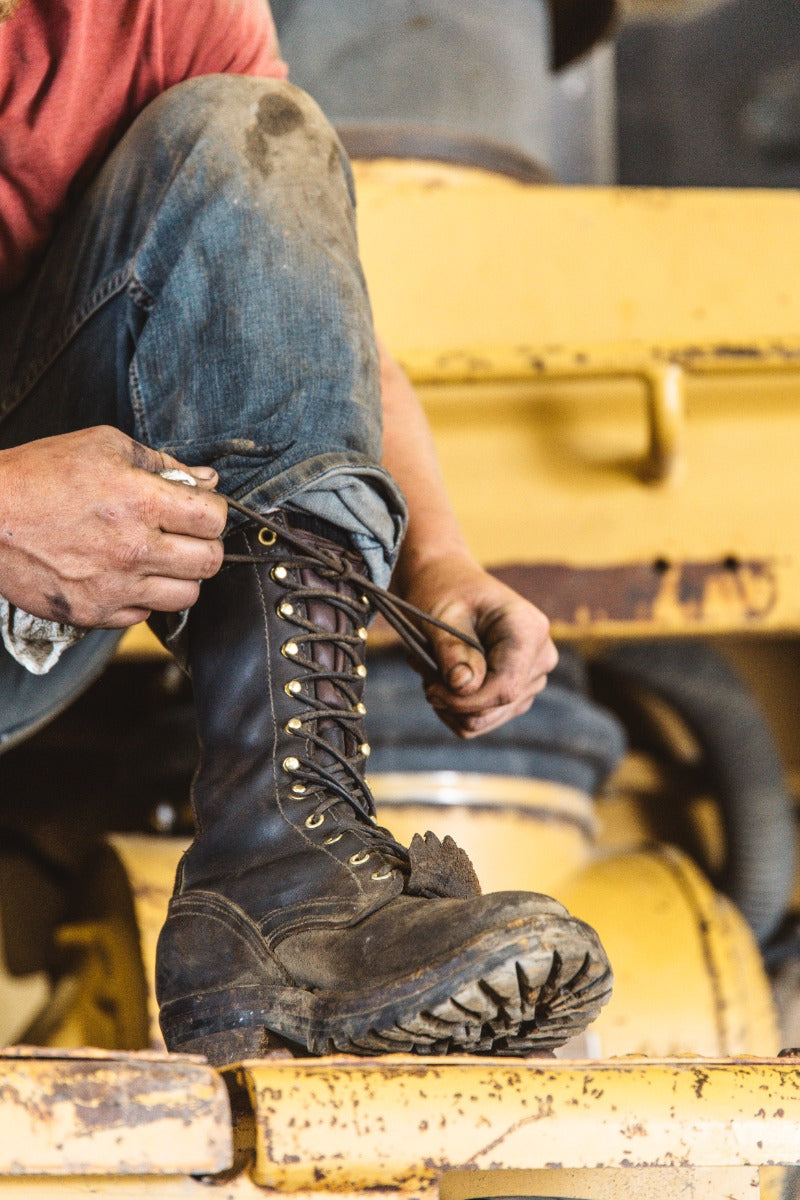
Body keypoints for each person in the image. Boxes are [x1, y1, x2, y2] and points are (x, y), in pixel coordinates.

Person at [0, 0, 611, 1064]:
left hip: (46, 598)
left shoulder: (169, 11)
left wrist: (440, 558)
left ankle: (285, 898)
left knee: (247, 133)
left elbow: (276, 291)